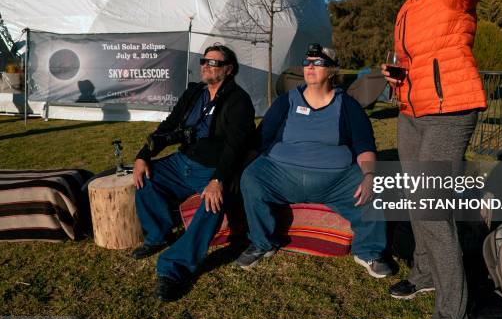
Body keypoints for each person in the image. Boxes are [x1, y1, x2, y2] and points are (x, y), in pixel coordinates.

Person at [382, 0, 496, 319]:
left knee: (432, 210)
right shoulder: (407, 4)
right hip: (412, 111)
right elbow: (416, 60)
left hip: (451, 110)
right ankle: (424, 272)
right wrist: (398, 77)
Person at [236, 44, 393, 278]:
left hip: (335, 181)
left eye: (318, 63)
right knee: (251, 178)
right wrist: (240, 169)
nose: (310, 66)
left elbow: (364, 146)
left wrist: (369, 176)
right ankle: (262, 243)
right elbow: (262, 138)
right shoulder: (286, 101)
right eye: (307, 61)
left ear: (331, 70)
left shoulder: (348, 105)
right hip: (281, 175)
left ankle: (368, 251)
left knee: (375, 187)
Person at [132, 44, 255, 302]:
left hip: (213, 168)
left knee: (212, 203)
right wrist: (144, 155)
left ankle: (174, 269)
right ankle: (158, 234)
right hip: (182, 161)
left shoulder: (238, 101)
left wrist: (218, 180)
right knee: (147, 177)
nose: (206, 66)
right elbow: (170, 125)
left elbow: (236, 146)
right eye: (204, 61)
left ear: (229, 69)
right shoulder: (194, 92)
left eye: (213, 63)